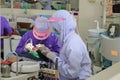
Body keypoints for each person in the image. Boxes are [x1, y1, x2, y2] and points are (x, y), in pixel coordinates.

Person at [38, 10, 92, 80]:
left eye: (56, 29)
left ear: (62, 26)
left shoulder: (73, 45)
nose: (55, 31)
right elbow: (65, 59)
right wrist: (49, 53)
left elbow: (71, 73)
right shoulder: (68, 39)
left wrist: (54, 58)